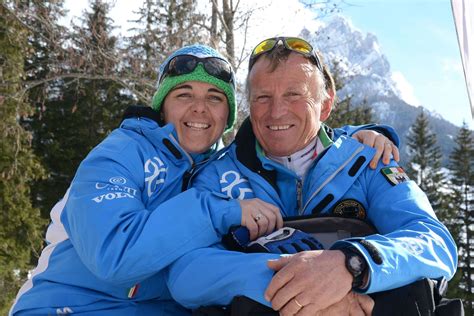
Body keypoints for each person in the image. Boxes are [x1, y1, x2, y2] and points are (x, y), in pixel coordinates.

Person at [9, 43, 398, 316]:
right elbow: (114, 256)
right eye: (184, 94)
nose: (199, 107)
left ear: (227, 116)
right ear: (162, 106)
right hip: (72, 306)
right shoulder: (120, 154)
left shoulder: (219, 169)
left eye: (215, 97)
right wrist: (218, 212)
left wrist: (358, 137)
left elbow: (300, 139)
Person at [165, 37, 458, 316]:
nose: (276, 112)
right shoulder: (216, 176)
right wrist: (307, 283)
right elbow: (185, 272)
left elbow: (434, 242)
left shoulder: (369, 160)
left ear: (326, 104)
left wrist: (351, 265)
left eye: (294, 95)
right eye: (263, 97)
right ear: (249, 106)